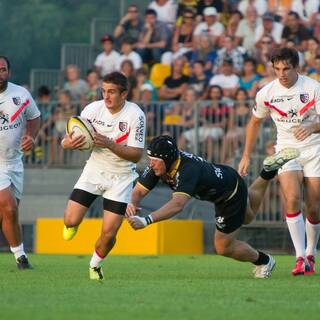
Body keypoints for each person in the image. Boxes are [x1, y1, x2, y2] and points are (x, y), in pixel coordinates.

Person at [126, 135, 298, 278]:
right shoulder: (161, 165)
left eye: (155, 160)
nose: (151, 164)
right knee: (248, 216)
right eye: (150, 159)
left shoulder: (187, 170)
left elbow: (177, 205)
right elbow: (139, 191)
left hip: (228, 194)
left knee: (223, 247)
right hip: (228, 179)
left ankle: (265, 261)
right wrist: (132, 203)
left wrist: (146, 220)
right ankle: (267, 173)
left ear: (167, 159)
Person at [238, 47, 320, 276]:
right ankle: (300, 257)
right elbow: (254, 123)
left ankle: (311, 253)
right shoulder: (267, 92)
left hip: (315, 149)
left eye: (286, 68)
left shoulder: (313, 88)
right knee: (292, 199)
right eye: (277, 69)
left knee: (313, 207)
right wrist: (246, 155)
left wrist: (313, 126)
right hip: (286, 150)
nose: (281, 73)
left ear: (297, 67)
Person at [61, 72, 146, 280]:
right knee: (70, 220)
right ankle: (72, 224)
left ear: (124, 94)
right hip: (94, 171)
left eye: (112, 92)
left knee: (109, 234)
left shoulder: (135, 115)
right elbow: (66, 140)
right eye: (103, 91)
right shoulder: (92, 109)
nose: (106, 97)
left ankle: (94, 265)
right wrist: (68, 144)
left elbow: (136, 156)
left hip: (121, 177)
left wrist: (108, 143)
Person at [0, 56, 41, 269]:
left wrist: (31, 136)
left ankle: (18, 255)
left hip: (14, 163)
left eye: (3, 69)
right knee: (8, 207)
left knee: (11, 211)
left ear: (9, 72)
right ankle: (21, 258)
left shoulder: (21, 94)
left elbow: (34, 118)